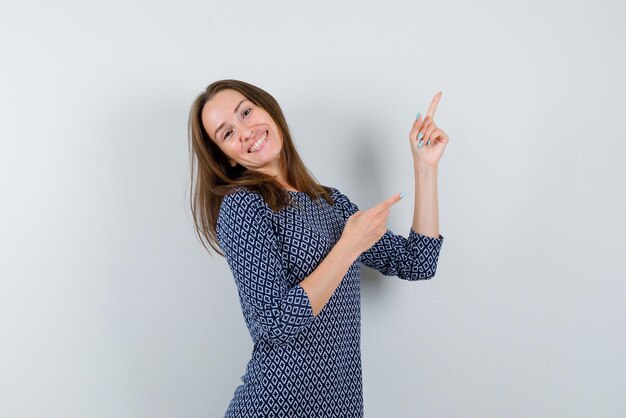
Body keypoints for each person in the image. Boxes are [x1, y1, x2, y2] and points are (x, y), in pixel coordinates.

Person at [187, 79, 447, 417]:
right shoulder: (243, 206)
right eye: (227, 133)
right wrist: (348, 246)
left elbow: (418, 261)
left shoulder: (331, 203)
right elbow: (273, 323)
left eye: (246, 113)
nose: (245, 131)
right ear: (226, 158)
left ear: (268, 109)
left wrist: (425, 167)